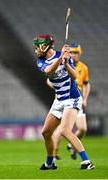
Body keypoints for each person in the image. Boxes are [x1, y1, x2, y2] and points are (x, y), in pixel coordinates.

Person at [33, 34, 95, 170]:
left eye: (38, 46)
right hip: (59, 100)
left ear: (45, 45)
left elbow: (74, 76)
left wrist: (66, 63)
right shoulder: (41, 61)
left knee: (65, 130)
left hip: (72, 98)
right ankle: (50, 163)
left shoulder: (64, 55)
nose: (36, 49)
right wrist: (60, 59)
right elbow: (49, 71)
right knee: (46, 132)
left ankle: (87, 162)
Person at [52, 43, 91, 160]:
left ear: (79, 54)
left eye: (76, 53)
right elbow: (50, 79)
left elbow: (86, 84)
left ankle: (71, 145)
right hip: (64, 98)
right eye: (72, 52)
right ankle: (54, 153)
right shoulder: (63, 64)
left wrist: (85, 98)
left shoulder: (83, 68)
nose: (73, 55)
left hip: (76, 98)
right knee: (62, 129)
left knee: (83, 129)